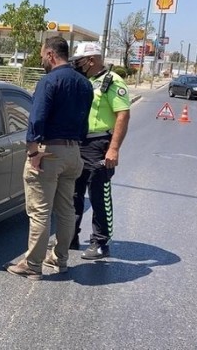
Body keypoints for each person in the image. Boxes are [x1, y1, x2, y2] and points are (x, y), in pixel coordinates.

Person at [6, 36, 94, 280]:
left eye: (43, 55)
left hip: (48, 152)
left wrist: (33, 152)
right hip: (73, 152)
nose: (42, 59)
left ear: (51, 55)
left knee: (40, 211)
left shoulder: (49, 81)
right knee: (66, 209)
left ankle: (33, 265)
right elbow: (84, 121)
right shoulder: (85, 84)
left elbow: (36, 119)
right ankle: (60, 259)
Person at [69, 41, 131, 259]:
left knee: (98, 195)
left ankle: (101, 242)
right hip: (78, 143)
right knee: (73, 193)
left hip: (99, 144)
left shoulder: (112, 81)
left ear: (91, 60)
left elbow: (123, 114)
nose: (77, 65)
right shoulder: (85, 81)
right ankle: (71, 236)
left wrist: (113, 149)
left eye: (79, 61)